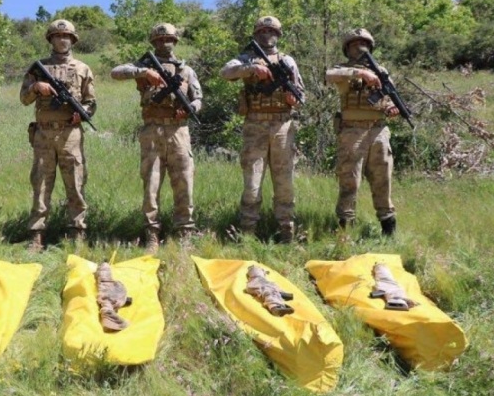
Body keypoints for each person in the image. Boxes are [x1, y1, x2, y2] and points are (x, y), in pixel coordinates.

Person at [111, 23, 202, 252]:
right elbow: (116, 72)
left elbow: (199, 99)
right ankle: (152, 233)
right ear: (154, 43)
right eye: (159, 40)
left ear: (175, 41)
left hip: (179, 130)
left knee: (184, 182)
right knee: (151, 183)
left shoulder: (186, 70)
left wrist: (190, 107)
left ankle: (184, 232)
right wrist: (143, 72)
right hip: (152, 130)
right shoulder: (143, 66)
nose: (164, 43)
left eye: (168, 39)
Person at [220, 16, 304, 243]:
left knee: (284, 182)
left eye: (272, 31)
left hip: (282, 125)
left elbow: (300, 93)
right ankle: (247, 234)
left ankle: (287, 233)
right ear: (256, 35)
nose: (267, 35)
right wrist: (251, 68)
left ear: (278, 34)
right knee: (252, 183)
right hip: (255, 125)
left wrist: (292, 97)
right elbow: (226, 72)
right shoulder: (246, 58)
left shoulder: (287, 61)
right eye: (263, 31)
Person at [20, 19, 96, 251]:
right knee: (41, 183)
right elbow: (24, 99)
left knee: (75, 181)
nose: (62, 40)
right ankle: (37, 234)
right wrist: (36, 88)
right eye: (57, 36)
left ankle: (77, 231)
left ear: (72, 40)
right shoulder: (38, 68)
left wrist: (81, 115)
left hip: (70, 133)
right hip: (43, 133)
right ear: (51, 39)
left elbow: (91, 102)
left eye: (66, 36)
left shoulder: (82, 68)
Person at [325, 28, 399, 236]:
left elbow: (391, 95)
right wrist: (359, 72)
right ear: (347, 49)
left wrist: (392, 107)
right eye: (355, 44)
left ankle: (388, 229)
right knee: (350, 181)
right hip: (352, 131)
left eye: (364, 43)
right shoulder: (343, 70)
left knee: (382, 179)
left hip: (378, 130)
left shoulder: (381, 71)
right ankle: (345, 229)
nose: (360, 47)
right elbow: (329, 75)